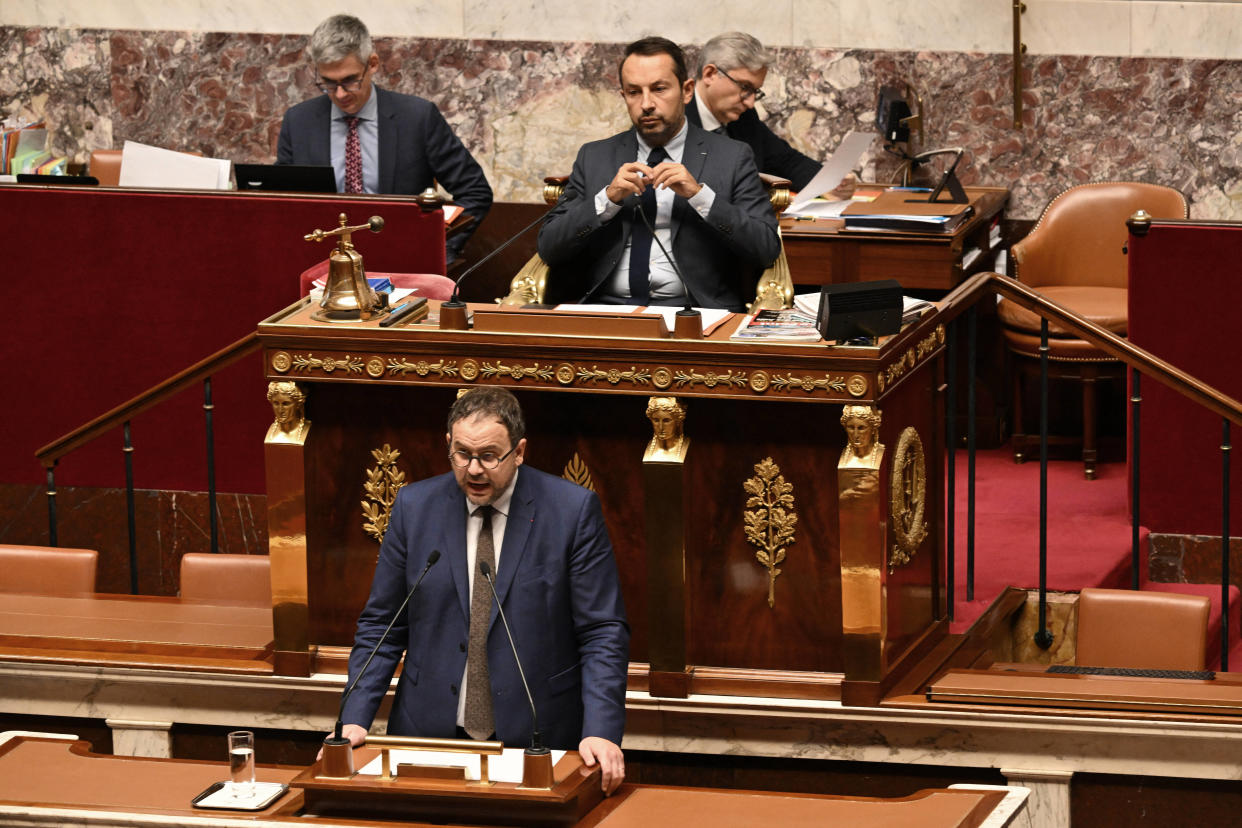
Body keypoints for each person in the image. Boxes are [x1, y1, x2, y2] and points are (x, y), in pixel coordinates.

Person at [336, 387, 630, 794]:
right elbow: (382, 626)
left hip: (537, 739)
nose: (474, 470)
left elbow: (602, 632)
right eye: (462, 454)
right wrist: (353, 719)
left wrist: (601, 730)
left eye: (489, 456)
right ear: (448, 446)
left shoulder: (571, 512)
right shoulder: (414, 507)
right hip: (426, 735)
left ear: (520, 451)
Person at [537, 36, 780, 312]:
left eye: (659, 89)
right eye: (634, 92)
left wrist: (701, 197)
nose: (647, 104)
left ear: (687, 91)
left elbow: (765, 248)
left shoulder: (732, 157)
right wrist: (607, 199)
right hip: (605, 311)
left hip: (696, 315)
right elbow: (550, 247)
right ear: (623, 96)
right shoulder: (595, 156)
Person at [276, 14, 492, 261]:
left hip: (402, 259)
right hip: (322, 262)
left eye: (350, 80)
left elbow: (475, 191)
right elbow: (282, 201)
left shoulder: (417, 118)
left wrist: (438, 247)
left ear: (373, 64)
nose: (340, 93)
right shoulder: (299, 121)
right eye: (328, 83)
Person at [688, 32, 822, 192]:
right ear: (710, 74)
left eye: (755, 91)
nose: (750, 103)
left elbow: (786, 161)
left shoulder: (744, 118)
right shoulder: (673, 120)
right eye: (745, 87)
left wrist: (830, 183)